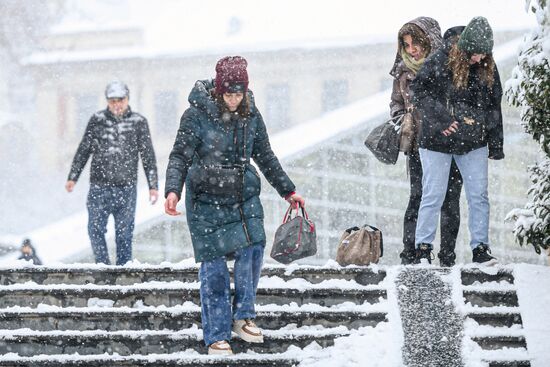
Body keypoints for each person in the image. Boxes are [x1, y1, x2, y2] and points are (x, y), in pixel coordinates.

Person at [164, 56, 305, 355]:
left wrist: (288, 190)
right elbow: (179, 156)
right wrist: (173, 190)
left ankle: (243, 315)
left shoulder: (251, 115)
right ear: (218, 91)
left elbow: (265, 155)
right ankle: (216, 335)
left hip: (242, 197)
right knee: (214, 268)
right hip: (205, 200)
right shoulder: (195, 116)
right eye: (228, 93)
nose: (233, 99)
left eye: (238, 93)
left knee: (254, 246)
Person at [411, 17, 504, 265]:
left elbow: (495, 104)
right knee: (433, 194)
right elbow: (418, 91)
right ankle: (423, 248)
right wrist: (442, 119)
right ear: (464, 49)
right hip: (436, 142)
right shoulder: (441, 59)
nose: (478, 60)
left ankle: (480, 249)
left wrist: (495, 143)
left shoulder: (487, 66)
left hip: (473, 142)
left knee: (479, 196)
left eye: (484, 55)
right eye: (474, 55)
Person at [389, 17, 463, 266]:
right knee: (418, 196)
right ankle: (411, 254)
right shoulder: (402, 71)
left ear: (429, 40)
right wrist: (402, 120)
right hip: (419, 143)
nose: (412, 50)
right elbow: (396, 103)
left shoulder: (449, 65)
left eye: (416, 43)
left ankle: (447, 255)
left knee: (450, 199)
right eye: (407, 45)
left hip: (449, 141)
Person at [65, 80, 159, 265]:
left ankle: (123, 270)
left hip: (126, 187)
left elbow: (148, 155)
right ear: (107, 101)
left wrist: (153, 186)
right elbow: (84, 149)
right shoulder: (97, 120)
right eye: (112, 101)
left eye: (120, 100)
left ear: (127, 99)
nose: (116, 104)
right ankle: (102, 266)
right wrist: (73, 177)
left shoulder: (139, 122)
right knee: (95, 229)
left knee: (124, 232)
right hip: (99, 186)